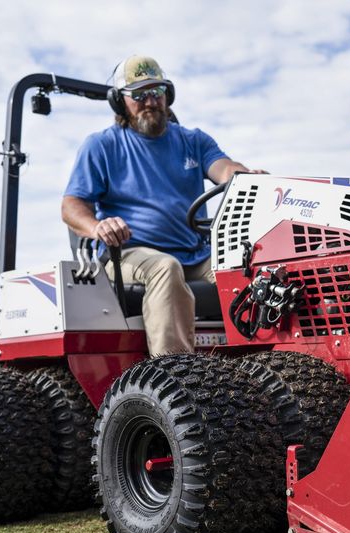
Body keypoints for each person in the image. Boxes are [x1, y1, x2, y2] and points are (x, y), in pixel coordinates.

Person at [62, 55, 261, 355]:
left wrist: (245, 176)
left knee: (254, 268)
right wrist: (98, 226)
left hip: (197, 255)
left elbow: (224, 169)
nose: (150, 101)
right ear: (120, 102)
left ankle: (266, 366)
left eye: (157, 92)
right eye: (139, 95)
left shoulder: (193, 140)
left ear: (168, 96)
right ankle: (175, 375)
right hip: (128, 253)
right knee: (165, 268)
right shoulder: (102, 146)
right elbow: (71, 205)